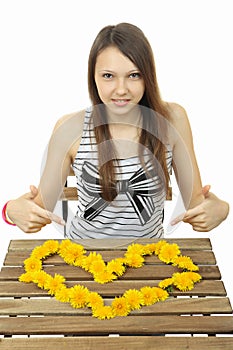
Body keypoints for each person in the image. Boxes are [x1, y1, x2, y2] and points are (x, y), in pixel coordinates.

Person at [2, 23, 229, 238]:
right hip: (83, 254)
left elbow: (196, 205)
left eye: (134, 75)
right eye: (108, 76)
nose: (121, 90)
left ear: (148, 76)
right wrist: (11, 211)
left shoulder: (173, 120)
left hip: (149, 258)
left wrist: (220, 209)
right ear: (93, 77)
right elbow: (40, 208)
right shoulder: (69, 128)